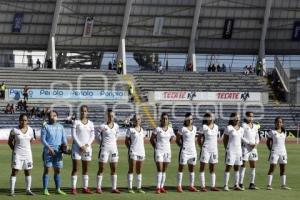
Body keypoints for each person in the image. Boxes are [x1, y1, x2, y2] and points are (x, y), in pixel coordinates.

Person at [41, 110, 68, 195]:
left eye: (55, 115)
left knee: (58, 171)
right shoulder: (45, 126)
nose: (53, 117)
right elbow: (43, 139)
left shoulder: (61, 127)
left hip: (58, 152)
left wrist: (66, 146)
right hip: (48, 151)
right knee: (47, 170)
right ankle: (45, 189)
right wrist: (49, 148)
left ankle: (58, 189)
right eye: (51, 115)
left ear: (57, 117)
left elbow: (64, 139)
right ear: (48, 117)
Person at [8, 114, 35, 196]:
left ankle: (28, 190)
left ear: (27, 121)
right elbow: (9, 142)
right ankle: (12, 191)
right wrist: (15, 150)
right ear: (19, 120)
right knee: (15, 171)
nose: (24, 122)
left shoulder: (31, 130)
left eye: (25, 120)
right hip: (17, 154)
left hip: (28, 154)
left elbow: (31, 141)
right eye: (22, 120)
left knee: (28, 171)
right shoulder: (14, 130)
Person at [95, 109, 121, 193]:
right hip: (104, 149)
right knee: (101, 168)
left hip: (114, 149)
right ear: (107, 116)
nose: (111, 117)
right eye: (109, 116)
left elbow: (117, 135)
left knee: (114, 169)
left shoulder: (116, 126)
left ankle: (114, 188)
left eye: (112, 116)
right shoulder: (102, 126)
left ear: (114, 116)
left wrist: (113, 143)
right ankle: (98, 188)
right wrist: (101, 143)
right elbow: (97, 136)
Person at [71, 105, 95, 194]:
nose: (83, 112)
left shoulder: (91, 123)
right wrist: (81, 146)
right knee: (75, 168)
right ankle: (73, 188)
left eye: (85, 111)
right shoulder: (76, 122)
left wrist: (86, 145)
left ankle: (85, 188)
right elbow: (74, 135)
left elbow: (92, 136)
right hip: (77, 148)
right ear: (80, 112)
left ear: (87, 112)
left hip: (87, 149)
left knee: (86, 169)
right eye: (82, 111)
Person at [150, 113, 175, 194]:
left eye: (166, 119)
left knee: (164, 170)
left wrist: (167, 145)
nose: (165, 120)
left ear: (168, 120)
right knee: (159, 169)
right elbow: (151, 139)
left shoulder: (170, 129)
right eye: (163, 118)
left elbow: (172, 138)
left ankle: (162, 187)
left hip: (167, 151)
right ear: (161, 120)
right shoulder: (157, 129)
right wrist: (156, 147)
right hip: (159, 151)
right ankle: (158, 187)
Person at [266, 117, 291, 190]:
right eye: (277, 122)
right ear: (275, 123)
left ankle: (283, 185)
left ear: (282, 123)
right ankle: (269, 185)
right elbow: (268, 142)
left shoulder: (284, 131)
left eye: (280, 122)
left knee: (283, 168)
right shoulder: (272, 132)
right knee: (272, 168)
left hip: (283, 152)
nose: (278, 123)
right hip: (275, 152)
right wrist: (270, 149)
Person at [176, 112, 198, 192]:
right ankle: (179, 186)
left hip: (193, 152)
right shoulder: (182, 128)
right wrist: (182, 147)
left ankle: (191, 186)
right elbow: (177, 140)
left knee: (192, 169)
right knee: (181, 168)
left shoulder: (195, 128)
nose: (190, 121)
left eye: (191, 119)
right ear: (185, 120)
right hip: (184, 152)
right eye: (188, 119)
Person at [197, 113, 220, 192]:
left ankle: (213, 186)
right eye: (209, 117)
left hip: (214, 150)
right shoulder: (203, 127)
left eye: (212, 116)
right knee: (202, 167)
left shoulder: (216, 127)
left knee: (213, 168)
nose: (210, 118)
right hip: (206, 149)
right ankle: (202, 186)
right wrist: (201, 147)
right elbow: (198, 139)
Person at [223, 112, 244, 191]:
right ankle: (226, 185)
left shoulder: (241, 129)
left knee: (237, 168)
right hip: (231, 151)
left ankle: (236, 185)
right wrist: (227, 149)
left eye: (238, 118)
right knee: (228, 168)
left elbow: (241, 140)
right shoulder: (228, 128)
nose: (237, 119)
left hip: (239, 151)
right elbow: (225, 140)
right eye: (235, 118)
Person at [125, 114, 146, 194]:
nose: (137, 121)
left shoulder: (142, 130)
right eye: (136, 119)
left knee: (139, 170)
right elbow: (126, 141)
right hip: (133, 151)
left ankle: (139, 188)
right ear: (133, 120)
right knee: (131, 169)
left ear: (140, 120)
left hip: (141, 152)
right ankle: (130, 188)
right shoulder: (130, 130)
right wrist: (130, 149)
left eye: (139, 119)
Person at [239, 112, 260, 190]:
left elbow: (257, 136)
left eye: (252, 116)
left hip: (254, 149)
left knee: (253, 165)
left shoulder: (255, 126)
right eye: (249, 116)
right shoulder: (243, 125)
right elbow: (241, 136)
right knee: (243, 165)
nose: (251, 118)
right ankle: (240, 183)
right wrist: (248, 143)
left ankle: (252, 183)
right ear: (246, 117)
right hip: (245, 148)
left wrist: (256, 143)